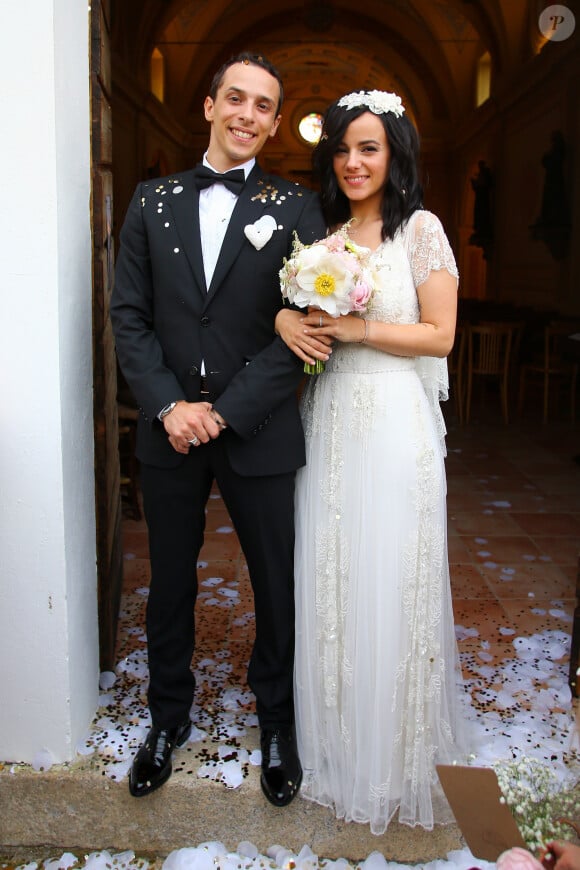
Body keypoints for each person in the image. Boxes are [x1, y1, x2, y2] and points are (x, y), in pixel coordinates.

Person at [110, 52, 326, 806]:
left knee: (275, 582)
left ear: (273, 122)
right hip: (170, 429)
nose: (248, 114)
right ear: (208, 106)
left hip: (255, 427)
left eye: (264, 105)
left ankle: (277, 724)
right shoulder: (150, 200)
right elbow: (128, 317)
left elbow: (304, 333)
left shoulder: (298, 209)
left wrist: (224, 412)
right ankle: (166, 718)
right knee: (168, 582)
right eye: (236, 98)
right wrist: (172, 407)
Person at [275, 89, 465, 833]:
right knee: (336, 568)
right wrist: (297, 315)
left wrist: (356, 329)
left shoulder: (421, 230)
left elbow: (441, 335)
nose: (353, 163)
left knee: (391, 571)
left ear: (395, 154)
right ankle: (336, 739)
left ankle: (395, 750)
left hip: (393, 422)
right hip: (329, 424)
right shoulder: (321, 236)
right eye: (343, 150)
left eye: (369, 148)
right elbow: (296, 320)